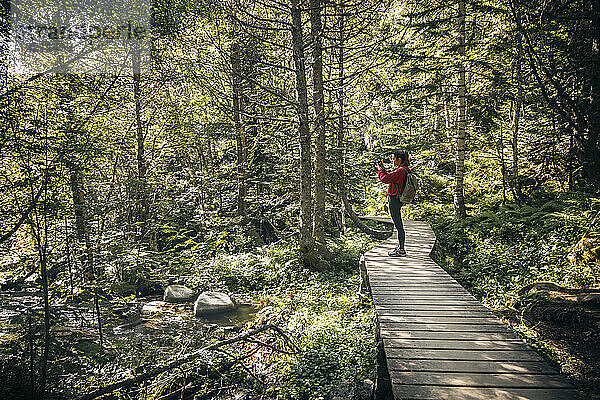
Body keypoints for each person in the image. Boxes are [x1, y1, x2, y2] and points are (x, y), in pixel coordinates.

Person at [375, 150, 412, 257]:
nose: (393, 160)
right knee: (398, 223)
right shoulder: (405, 170)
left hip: (394, 199)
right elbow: (391, 178)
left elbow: (385, 179)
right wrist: (383, 169)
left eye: (394, 158)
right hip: (398, 199)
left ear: (399, 159)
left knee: (398, 225)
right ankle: (400, 247)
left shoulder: (400, 171)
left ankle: (401, 249)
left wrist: (379, 171)